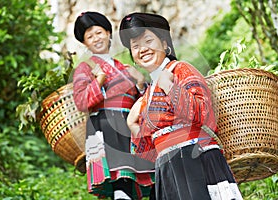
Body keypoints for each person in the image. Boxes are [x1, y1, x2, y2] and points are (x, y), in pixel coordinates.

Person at [119, 12, 243, 200]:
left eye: (148, 41)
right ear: (134, 57)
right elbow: (150, 154)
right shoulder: (148, 95)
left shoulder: (181, 69)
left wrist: (170, 86)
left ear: (165, 44)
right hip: (168, 169)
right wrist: (133, 124)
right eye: (135, 46)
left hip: (196, 159)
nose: (142, 49)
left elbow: (204, 114)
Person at [73, 11, 155, 200]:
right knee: (120, 180)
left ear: (108, 33)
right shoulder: (85, 68)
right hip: (105, 125)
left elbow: (142, 104)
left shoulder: (125, 67)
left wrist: (141, 82)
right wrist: (99, 81)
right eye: (90, 36)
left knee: (138, 179)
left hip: (128, 124)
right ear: (85, 43)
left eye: (99, 32)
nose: (96, 39)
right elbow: (81, 101)